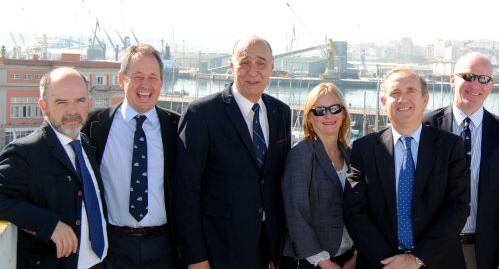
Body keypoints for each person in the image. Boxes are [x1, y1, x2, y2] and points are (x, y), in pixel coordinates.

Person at [175, 36, 291, 268]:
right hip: (218, 250)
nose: (252, 71)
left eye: (260, 63)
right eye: (244, 62)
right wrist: (196, 256)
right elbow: (186, 191)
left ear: (272, 68)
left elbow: (276, 181)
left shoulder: (281, 113)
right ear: (232, 65)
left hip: (267, 249)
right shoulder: (202, 114)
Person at [344, 68, 469, 269]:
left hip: (437, 261)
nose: (403, 99)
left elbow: (458, 207)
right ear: (384, 102)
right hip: (381, 264)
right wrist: (391, 262)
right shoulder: (363, 149)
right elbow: (354, 210)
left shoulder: (450, 147)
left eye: (411, 91)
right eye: (395, 93)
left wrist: (416, 259)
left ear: (425, 99)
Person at [82, 44, 181, 268]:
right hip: (112, 247)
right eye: (137, 76)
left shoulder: (177, 128)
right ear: (121, 79)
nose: (145, 85)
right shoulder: (94, 126)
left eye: (152, 77)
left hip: (165, 248)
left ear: (161, 83)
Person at [0, 67, 108, 268]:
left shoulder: (86, 145)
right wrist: (48, 225)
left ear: (89, 102)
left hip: (98, 263)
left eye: (80, 100)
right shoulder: (26, 152)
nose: (73, 111)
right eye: (61, 102)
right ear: (44, 106)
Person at [423, 52, 499, 269]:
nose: (475, 84)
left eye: (483, 79)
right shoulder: (425, 126)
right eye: (468, 76)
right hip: (432, 250)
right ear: (452, 80)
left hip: (484, 252)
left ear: (491, 85)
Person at [282, 83, 356, 269]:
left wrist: (356, 256)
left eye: (334, 108)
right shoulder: (301, 156)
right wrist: (324, 262)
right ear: (309, 118)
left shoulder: (350, 155)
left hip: (347, 259)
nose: (328, 115)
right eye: (320, 111)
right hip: (311, 261)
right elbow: (296, 214)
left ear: (344, 113)